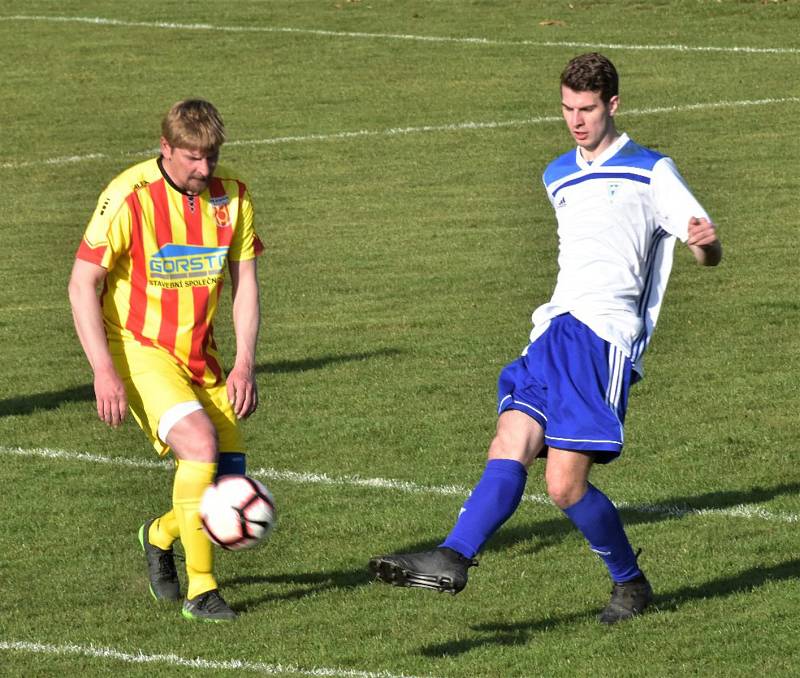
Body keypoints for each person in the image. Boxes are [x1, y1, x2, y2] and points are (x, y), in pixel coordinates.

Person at [369, 53, 721, 624]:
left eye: (586, 109)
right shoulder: (556, 174)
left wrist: (704, 243)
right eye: (566, 109)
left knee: (563, 486)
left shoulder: (651, 171)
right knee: (509, 441)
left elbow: (706, 250)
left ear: (612, 105)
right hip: (552, 329)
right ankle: (453, 555)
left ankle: (630, 584)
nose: (576, 120)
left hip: (602, 338)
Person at [68, 99, 264, 623]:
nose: (205, 169)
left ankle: (158, 536)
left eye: (213, 156)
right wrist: (103, 371)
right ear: (166, 149)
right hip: (138, 351)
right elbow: (81, 283)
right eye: (193, 158)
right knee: (199, 446)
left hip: (203, 355)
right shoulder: (128, 196)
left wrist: (245, 362)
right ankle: (202, 592)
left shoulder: (234, 196)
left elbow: (245, 286)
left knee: (227, 489)